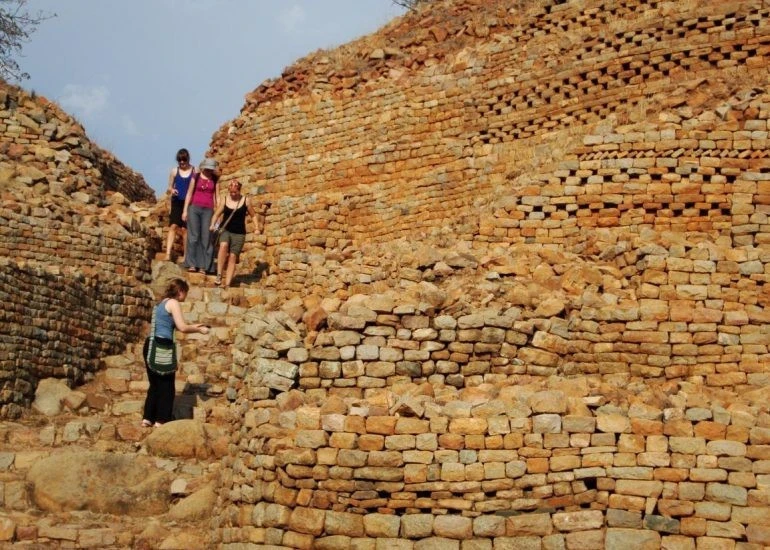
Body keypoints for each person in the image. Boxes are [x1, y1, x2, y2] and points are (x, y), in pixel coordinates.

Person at [142, 278, 209, 427]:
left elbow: (173, 324)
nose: (186, 296)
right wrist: (199, 330)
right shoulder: (174, 303)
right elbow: (182, 327)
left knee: (155, 384)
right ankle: (161, 420)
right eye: (186, 293)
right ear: (180, 291)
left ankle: (147, 418)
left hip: (150, 344)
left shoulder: (161, 303)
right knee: (167, 385)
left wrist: (196, 326)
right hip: (162, 346)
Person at [209, 180, 267, 288]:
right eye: (231, 192)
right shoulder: (225, 200)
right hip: (225, 230)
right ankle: (219, 275)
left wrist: (256, 228)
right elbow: (216, 214)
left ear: (239, 190)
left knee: (232, 256)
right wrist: (212, 224)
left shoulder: (245, 200)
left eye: (235, 192)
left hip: (239, 233)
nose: (233, 194)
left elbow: (253, 215)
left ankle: (227, 283)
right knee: (223, 246)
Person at [182, 157, 219, 273]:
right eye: (207, 168)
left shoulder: (215, 179)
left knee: (206, 237)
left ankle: (204, 266)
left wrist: (218, 214)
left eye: (211, 169)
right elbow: (189, 193)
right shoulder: (196, 176)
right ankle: (192, 264)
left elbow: (217, 197)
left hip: (208, 209)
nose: (209, 171)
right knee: (193, 237)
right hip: (194, 208)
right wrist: (185, 210)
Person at [164, 148, 195, 262]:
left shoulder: (194, 170)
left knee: (185, 229)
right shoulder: (174, 171)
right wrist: (172, 190)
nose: (182, 162)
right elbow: (169, 187)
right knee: (173, 226)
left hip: (189, 203)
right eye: (179, 160)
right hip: (177, 201)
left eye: (184, 160)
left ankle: (186, 256)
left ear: (188, 159)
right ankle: (168, 253)